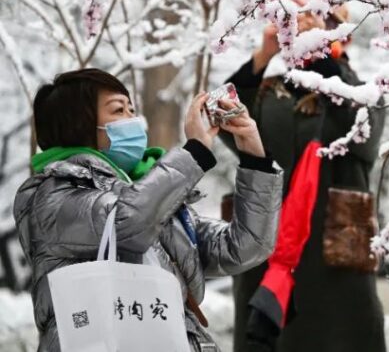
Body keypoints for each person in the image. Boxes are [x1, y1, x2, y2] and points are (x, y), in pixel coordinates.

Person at [13, 68, 282, 352]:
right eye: (119, 110)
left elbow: (247, 246)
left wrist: (255, 158)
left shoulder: (150, 196)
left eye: (132, 109)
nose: (134, 119)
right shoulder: (55, 196)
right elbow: (129, 223)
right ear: (78, 125)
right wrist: (195, 153)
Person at [224, 0, 386, 352]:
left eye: (325, 24)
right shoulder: (268, 95)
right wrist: (262, 56)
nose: (312, 32)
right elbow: (221, 119)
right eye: (302, 24)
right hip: (267, 250)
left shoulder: (360, 90)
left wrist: (328, 58)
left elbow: (361, 132)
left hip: (334, 257)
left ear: (344, 36)